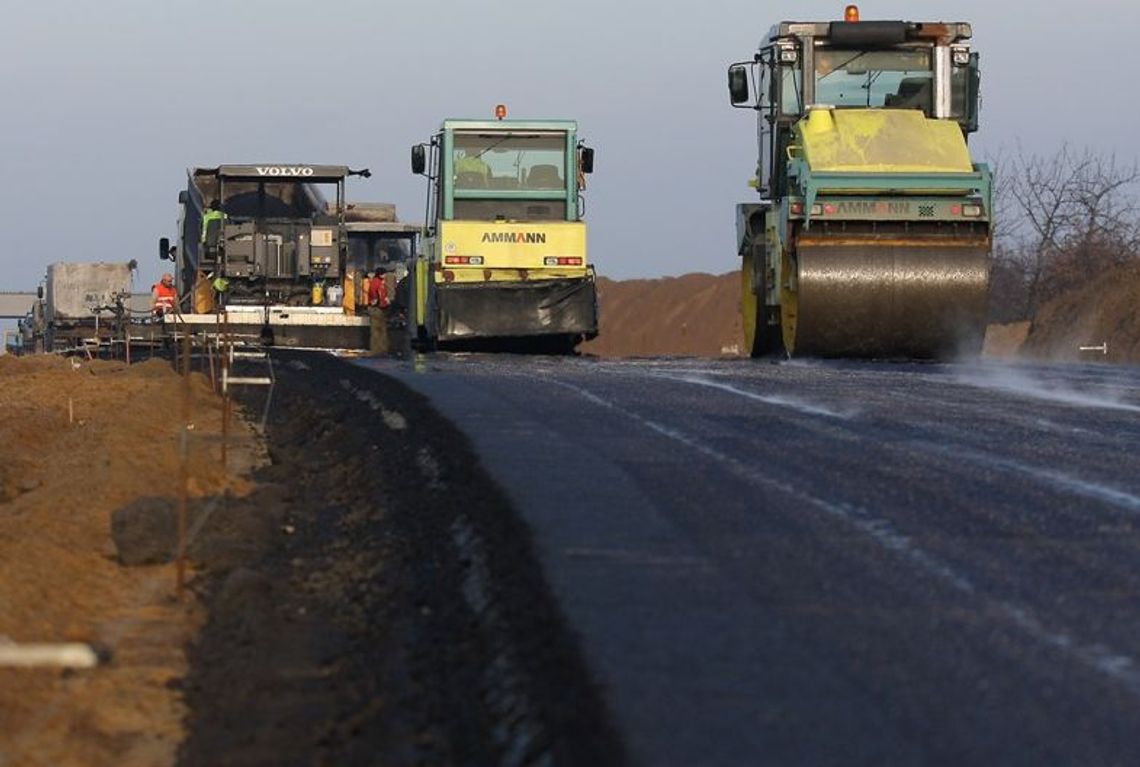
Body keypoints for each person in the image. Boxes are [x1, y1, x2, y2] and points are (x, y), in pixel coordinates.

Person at [367, 268, 391, 355]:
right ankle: (378, 350)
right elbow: (376, 295)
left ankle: (379, 349)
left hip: (378, 308)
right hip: (377, 308)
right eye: (384, 274)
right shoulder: (378, 283)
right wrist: (383, 302)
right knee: (378, 330)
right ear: (381, 274)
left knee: (378, 330)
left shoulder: (376, 282)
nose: (385, 276)